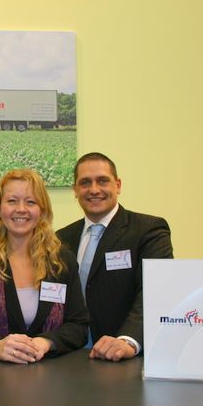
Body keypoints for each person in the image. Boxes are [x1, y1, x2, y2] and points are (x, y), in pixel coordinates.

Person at [0, 169, 89, 364]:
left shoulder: (61, 261)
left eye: (31, 202)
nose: (21, 209)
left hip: (51, 373)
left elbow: (78, 326)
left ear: (42, 210)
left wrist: (47, 342)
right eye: (12, 201)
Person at [56, 152, 173, 362]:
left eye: (102, 181)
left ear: (117, 185)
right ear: (75, 190)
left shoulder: (148, 230)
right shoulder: (61, 238)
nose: (94, 190)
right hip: (71, 356)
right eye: (85, 183)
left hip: (123, 356)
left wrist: (128, 340)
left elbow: (155, 290)